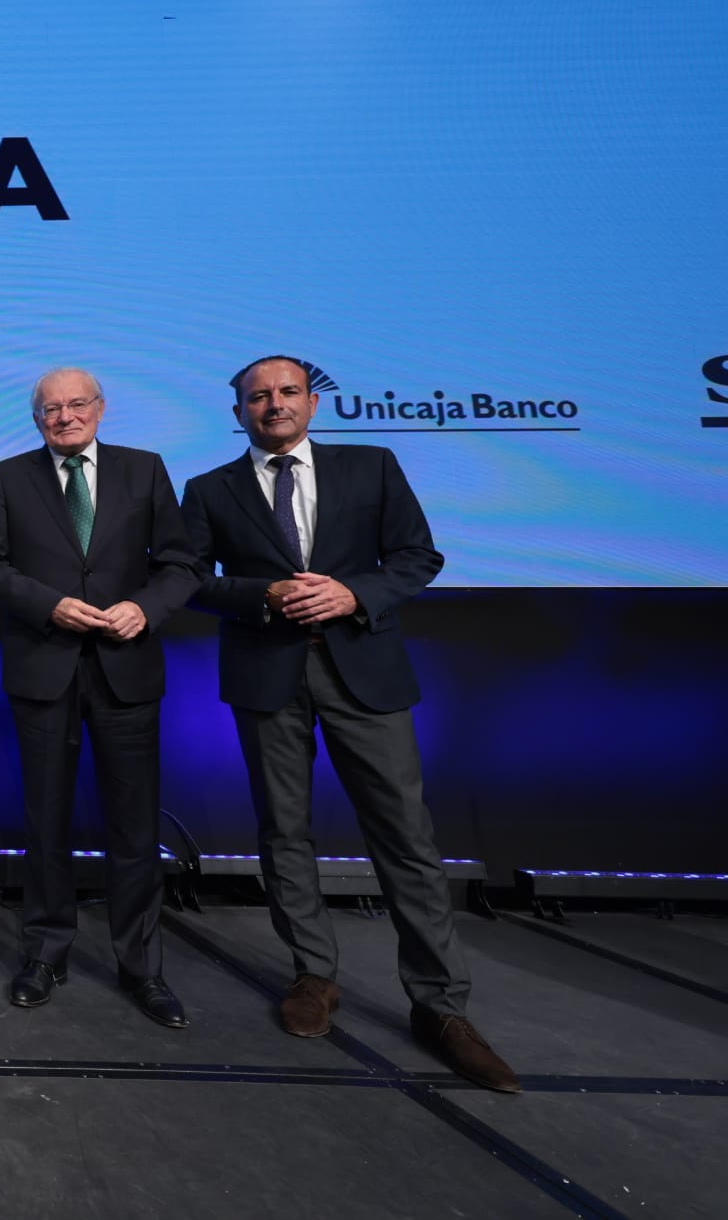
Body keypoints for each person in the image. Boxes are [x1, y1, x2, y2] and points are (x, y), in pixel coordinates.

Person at [180, 354, 518, 1091]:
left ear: (312, 401)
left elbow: (417, 556)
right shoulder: (209, 489)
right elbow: (190, 579)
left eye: (288, 392)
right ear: (237, 411)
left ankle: (441, 1005)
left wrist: (351, 594)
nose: (274, 405)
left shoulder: (372, 465)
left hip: (364, 671)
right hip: (268, 677)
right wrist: (263, 595)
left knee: (404, 833)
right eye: (258, 396)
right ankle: (312, 976)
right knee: (283, 830)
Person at [0, 368, 197, 1028]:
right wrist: (50, 605)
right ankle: (44, 954)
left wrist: (144, 609)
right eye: (50, 409)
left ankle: (142, 967)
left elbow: (179, 564)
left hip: (126, 666)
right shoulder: (8, 475)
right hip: (46, 666)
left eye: (76, 404)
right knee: (45, 823)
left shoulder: (144, 468)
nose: (64, 416)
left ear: (100, 408)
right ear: (36, 418)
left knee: (134, 828)